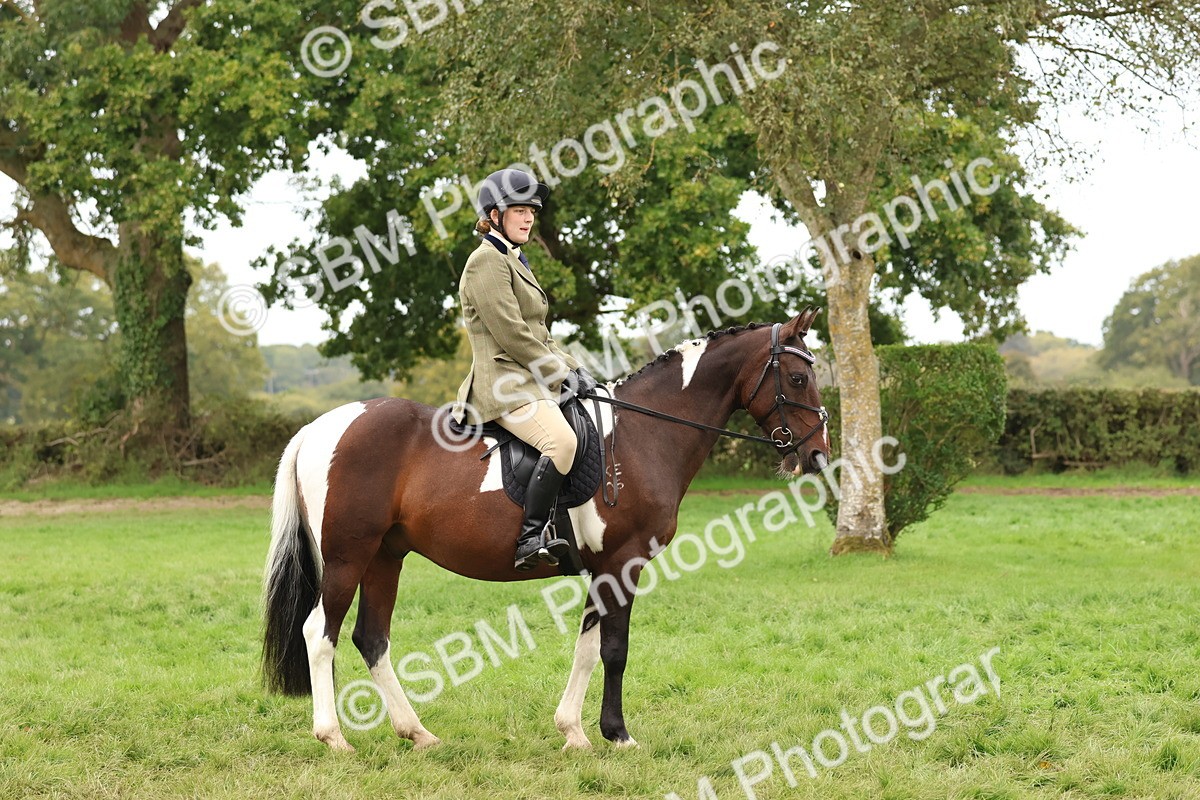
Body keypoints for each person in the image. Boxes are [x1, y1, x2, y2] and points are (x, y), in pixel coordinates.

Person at [451, 169, 598, 571]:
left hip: (531, 379)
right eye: (519, 209)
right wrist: (558, 375)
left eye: (532, 210)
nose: (529, 217)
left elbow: (540, 334)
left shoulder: (514, 260)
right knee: (562, 443)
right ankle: (530, 537)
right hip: (503, 384)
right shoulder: (486, 262)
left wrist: (576, 369)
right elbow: (513, 335)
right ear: (494, 215)